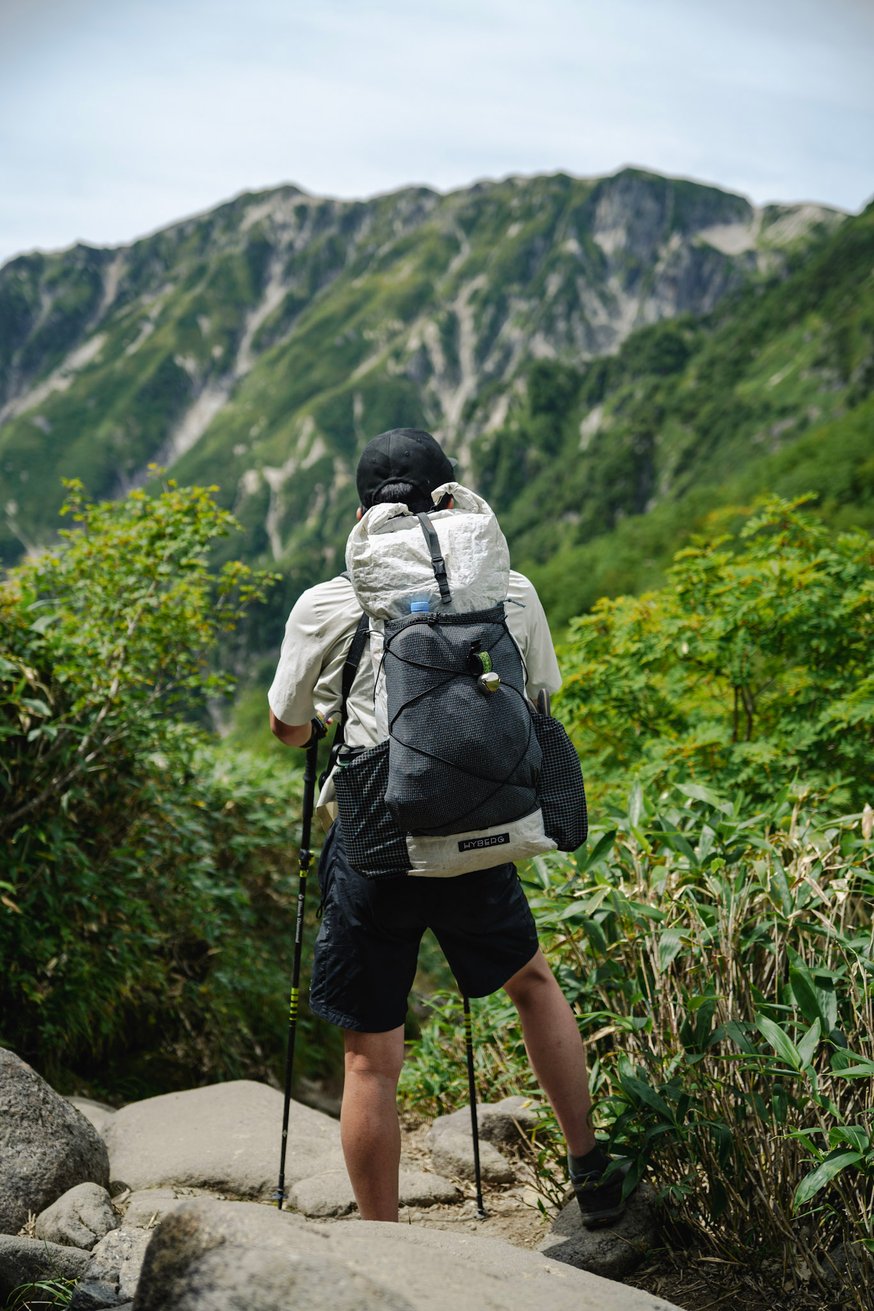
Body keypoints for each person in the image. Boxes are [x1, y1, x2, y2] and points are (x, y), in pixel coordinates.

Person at [268, 427, 627, 1227]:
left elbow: (289, 728)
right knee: (531, 982)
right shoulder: (512, 591)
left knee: (371, 1056)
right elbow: (540, 697)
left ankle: (387, 1246)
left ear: (363, 515)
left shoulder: (331, 601)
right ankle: (592, 1170)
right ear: (450, 497)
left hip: (376, 841)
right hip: (478, 833)